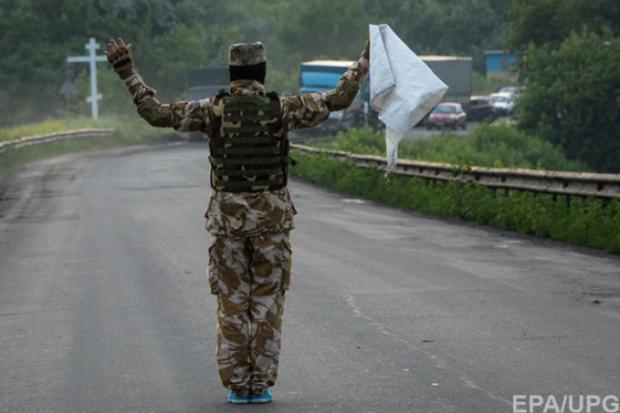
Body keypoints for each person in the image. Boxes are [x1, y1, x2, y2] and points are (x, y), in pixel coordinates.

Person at [106, 37, 369, 404]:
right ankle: (259, 385)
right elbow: (338, 100)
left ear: (232, 73)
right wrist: (362, 63)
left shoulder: (210, 110)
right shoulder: (285, 108)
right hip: (272, 225)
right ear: (262, 72)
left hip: (227, 225)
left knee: (232, 304)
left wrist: (127, 72)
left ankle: (236, 385)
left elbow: (155, 113)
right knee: (266, 304)